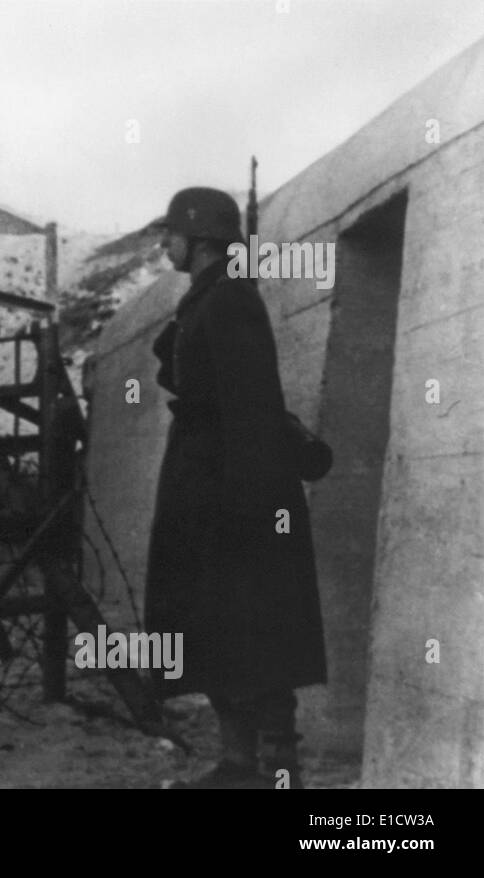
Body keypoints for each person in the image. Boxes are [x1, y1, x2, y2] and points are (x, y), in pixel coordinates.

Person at [146, 187, 327, 789]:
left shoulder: (229, 299)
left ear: (198, 239)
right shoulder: (206, 299)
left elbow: (251, 403)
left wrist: (249, 502)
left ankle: (278, 768)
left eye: (170, 233)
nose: (163, 243)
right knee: (214, 620)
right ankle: (237, 762)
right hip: (206, 481)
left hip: (234, 487)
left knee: (256, 620)